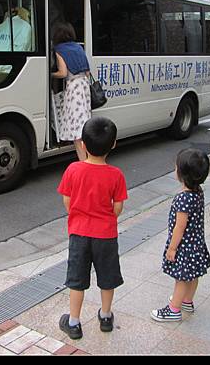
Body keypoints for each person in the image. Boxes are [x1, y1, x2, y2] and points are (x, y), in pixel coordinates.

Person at [57, 116, 128, 340]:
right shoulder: (116, 175)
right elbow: (118, 208)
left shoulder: (73, 170)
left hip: (79, 233)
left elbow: (67, 202)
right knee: (107, 277)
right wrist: (105, 217)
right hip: (106, 235)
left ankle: (74, 322)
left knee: (77, 280)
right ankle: (105, 316)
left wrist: (79, 214)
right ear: (113, 144)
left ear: (84, 145)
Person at [150, 148, 210, 322]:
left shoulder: (183, 198)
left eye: (176, 166)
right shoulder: (198, 192)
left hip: (184, 246)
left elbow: (180, 227)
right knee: (193, 275)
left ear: (182, 173)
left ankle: (174, 309)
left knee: (181, 279)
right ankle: (187, 301)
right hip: (197, 244)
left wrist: (172, 248)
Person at [51, 21, 92, 161]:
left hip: (74, 88)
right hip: (84, 86)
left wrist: (50, 74)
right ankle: (88, 159)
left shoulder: (59, 50)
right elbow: (87, 72)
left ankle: (84, 162)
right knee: (84, 123)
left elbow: (62, 73)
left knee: (77, 129)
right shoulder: (79, 47)